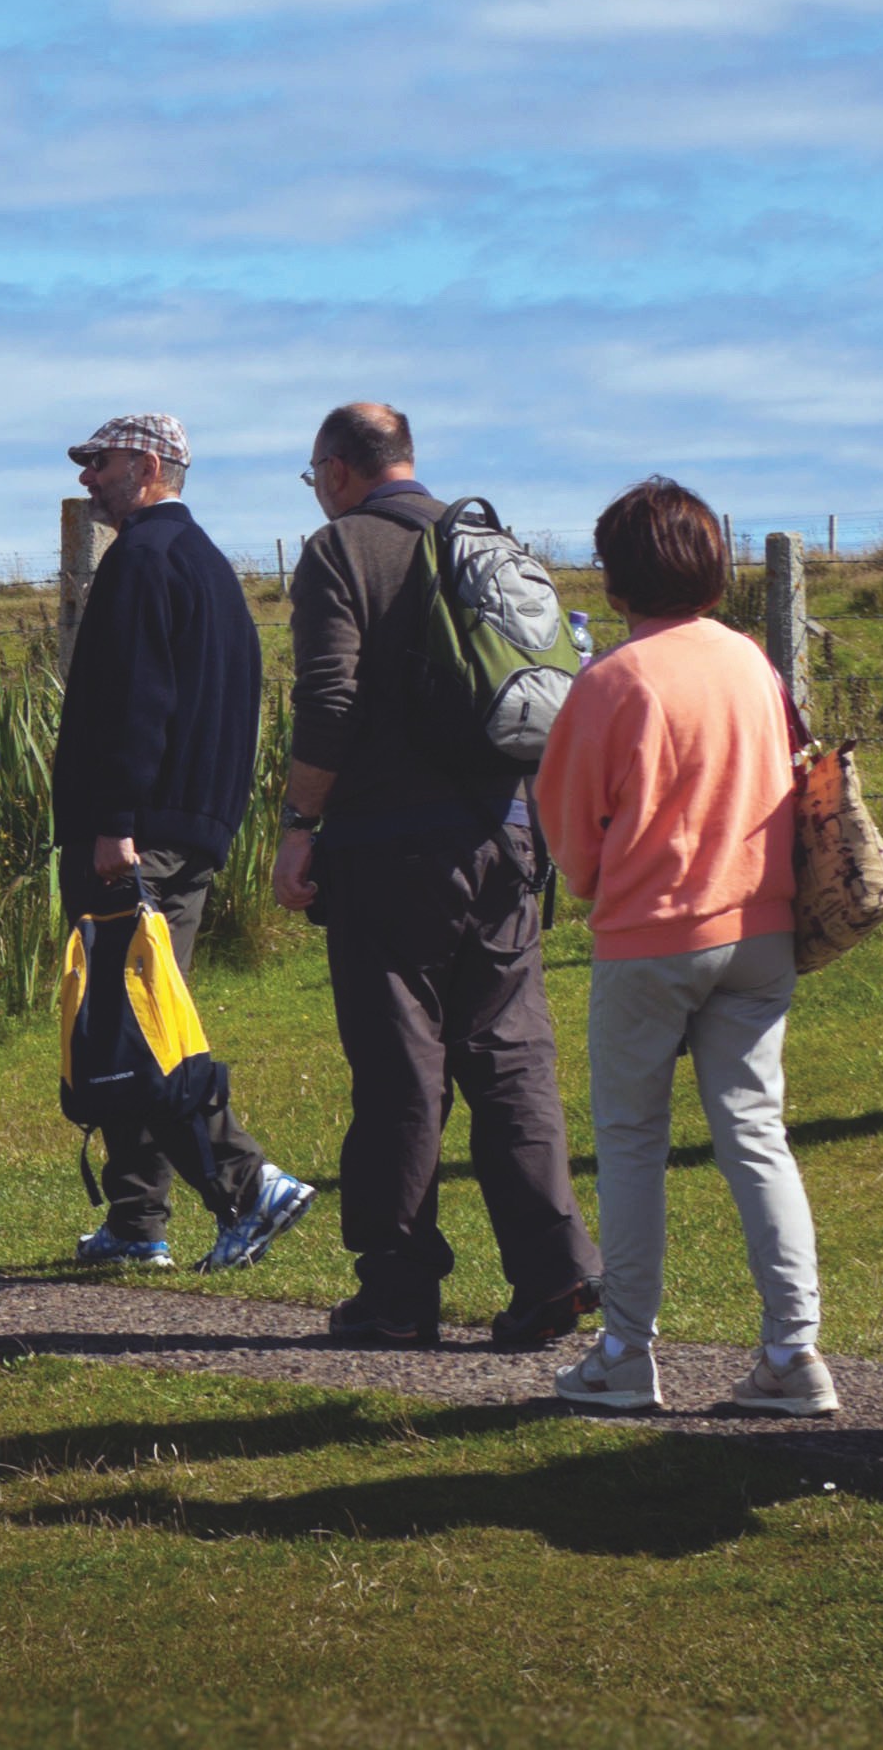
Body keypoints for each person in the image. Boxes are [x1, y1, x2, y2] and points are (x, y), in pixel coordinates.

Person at [278, 401, 601, 1351]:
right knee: (510, 1055)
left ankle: (398, 1287)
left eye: (313, 478)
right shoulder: (491, 544)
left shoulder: (342, 553)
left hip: (389, 846)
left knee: (399, 1067)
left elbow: (329, 694)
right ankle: (554, 1270)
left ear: (337, 470)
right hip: (508, 835)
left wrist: (300, 824)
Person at [534, 478, 833, 1415]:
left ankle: (626, 1351)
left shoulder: (611, 682)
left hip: (650, 934)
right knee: (757, 1138)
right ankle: (794, 1353)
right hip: (761, 926)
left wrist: (595, 885)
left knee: (631, 1143)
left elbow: (569, 825)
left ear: (616, 577)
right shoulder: (753, 663)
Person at [52, 414, 317, 1273]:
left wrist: (117, 823)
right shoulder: (209, 567)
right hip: (192, 827)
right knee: (129, 1019)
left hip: (137, 834)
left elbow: (137, 703)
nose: (89, 477)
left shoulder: (140, 560)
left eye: (103, 462)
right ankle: (136, 1220)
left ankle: (248, 1186)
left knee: (139, 1027)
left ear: (152, 465)